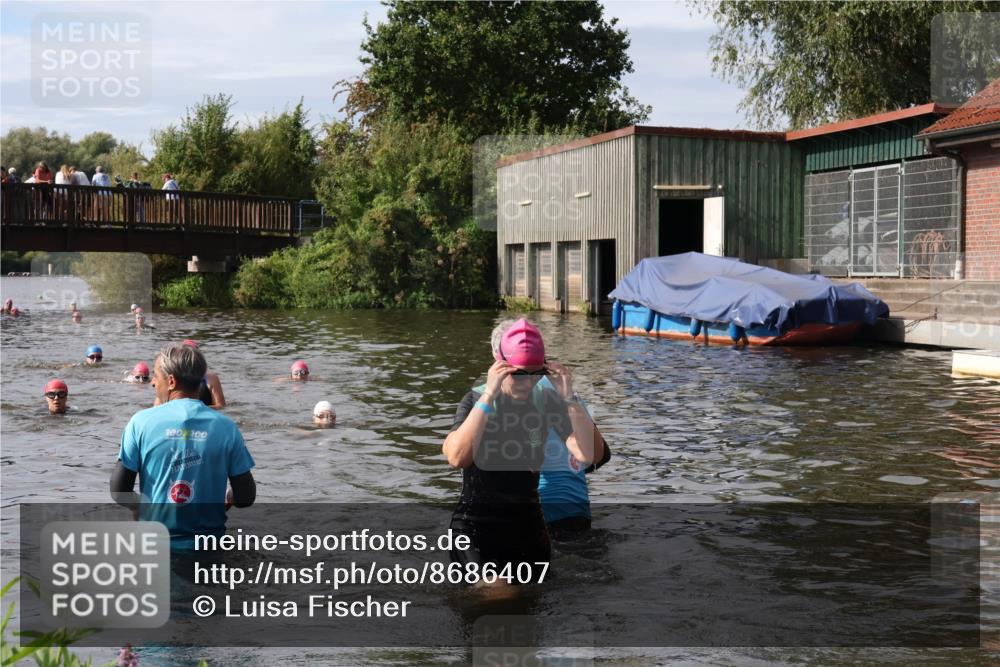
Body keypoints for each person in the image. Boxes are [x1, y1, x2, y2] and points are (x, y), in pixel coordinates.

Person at [442, 318, 598, 584]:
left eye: (536, 374)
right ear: (499, 365)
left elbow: (588, 455)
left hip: (528, 530)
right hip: (477, 529)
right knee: (496, 592)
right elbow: (456, 457)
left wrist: (570, 398)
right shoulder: (475, 399)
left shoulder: (547, 401)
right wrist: (489, 396)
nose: (528, 382)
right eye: (518, 374)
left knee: (532, 612)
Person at [110, 343, 256, 550]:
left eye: (155, 376)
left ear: (171, 381)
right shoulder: (226, 428)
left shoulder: (140, 423)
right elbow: (246, 497)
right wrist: (231, 497)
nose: (152, 383)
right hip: (208, 547)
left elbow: (119, 490)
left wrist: (138, 506)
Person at [488, 320, 610, 538]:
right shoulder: (560, 388)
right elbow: (599, 457)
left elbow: (595, 456)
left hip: (542, 517)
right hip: (573, 513)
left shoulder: (499, 397)